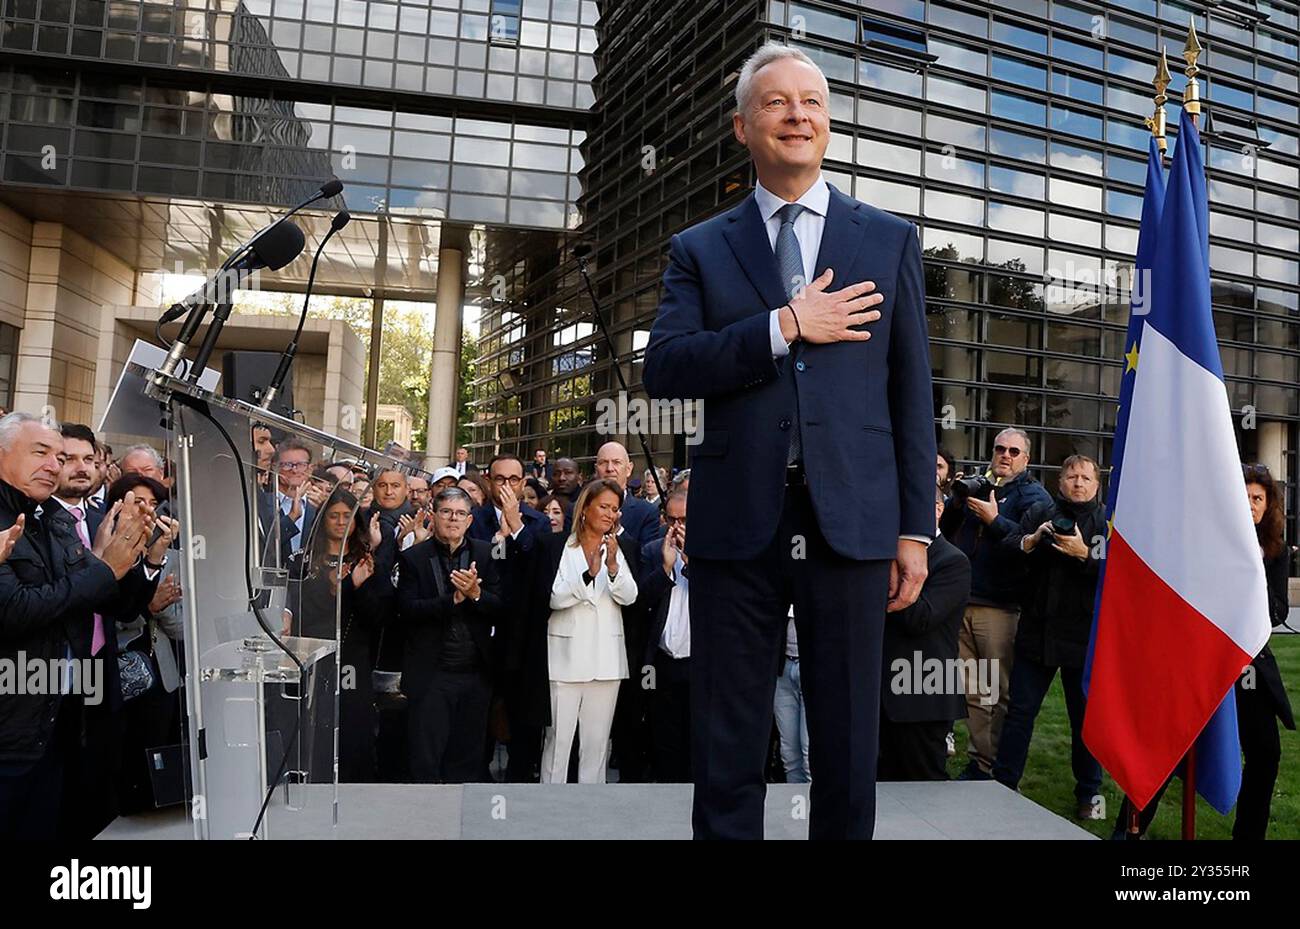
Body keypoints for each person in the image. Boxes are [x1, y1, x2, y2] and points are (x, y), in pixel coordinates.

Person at [642, 43, 935, 839]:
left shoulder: (889, 239)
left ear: (829, 124)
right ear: (743, 126)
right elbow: (664, 367)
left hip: (854, 524)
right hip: (738, 523)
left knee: (844, 738)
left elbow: (913, 394)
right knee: (729, 736)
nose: (797, 114)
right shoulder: (699, 248)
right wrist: (782, 326)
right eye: (777, 102)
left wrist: (916, 529)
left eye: (811, 102)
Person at [0, 413, 158, 840]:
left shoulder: (47, 518)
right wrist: (102, 570)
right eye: (44, 453)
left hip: (65, 699)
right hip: (18, 706)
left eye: (62, 455)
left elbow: (110, 601)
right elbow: (15, 610)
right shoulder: (17, 517)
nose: (56, 465)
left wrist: (145, 561)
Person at [993, 455, 1106, 818]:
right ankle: (1004, 784)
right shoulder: (1040, 512)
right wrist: (1031, 540)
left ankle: (1089, 794)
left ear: (1096, 484)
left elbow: (1121, 578)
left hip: (1083, 638)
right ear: (1059, 482)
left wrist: (1085, 555)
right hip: (1037, 632)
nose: (1077, 482)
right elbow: (1008, 550)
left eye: (1085, 477)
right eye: (1071, 475)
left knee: (1084, 720)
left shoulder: (1108, 524)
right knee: (1020, 713)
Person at [939, 427, 1051, 780]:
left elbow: (1027, 546)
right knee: (972, 691)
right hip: (965, 601)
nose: (1005, 455)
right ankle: (979, 761)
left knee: (997, 692)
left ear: (1026, 458)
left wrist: (994, 519)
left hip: (1001, 607)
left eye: (1014, 451)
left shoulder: (1034, 496)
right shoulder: (980, 486)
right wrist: (957, 500)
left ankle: (995, 767)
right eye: (1000, 449)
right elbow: (949, 528)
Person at [398, 488, 503, 782]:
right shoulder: (413, 558)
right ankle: (426, 821)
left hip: (475, 673)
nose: (452, 519)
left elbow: (501, 607)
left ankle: (462, 819)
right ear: (434, 515)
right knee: (425, 757)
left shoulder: (485, 553)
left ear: (469, 520)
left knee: (468, 756)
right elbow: (406, 610)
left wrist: (476, 593)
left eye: (459, 514)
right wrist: (452, 601)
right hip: (432, 674)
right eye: (446, 512)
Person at [539, 479, 639, 783]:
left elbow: (630, 596)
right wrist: (588, 574)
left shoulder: (620, 549)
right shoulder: (557, 546)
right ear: (586, 509)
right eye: (604, 507)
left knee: (597, 749)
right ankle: (549, 810)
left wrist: (610, 568)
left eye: (615, 509)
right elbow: (554, 598)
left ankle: (592, 812)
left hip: (606, 662)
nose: (610, 514)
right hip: (564, 661)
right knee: (558, 744)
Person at [287, 488, 383, 782]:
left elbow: (377, 616)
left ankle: (355, 785)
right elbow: (301, 613)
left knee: (352, 721)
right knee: (314, 721)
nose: (341, 522)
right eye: (334, 516)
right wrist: (334, 590)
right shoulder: (303, 560)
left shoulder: (364, 559)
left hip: (352, 653)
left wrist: (355, 587)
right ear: (322, 519)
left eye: (348, 516)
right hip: (313, 654)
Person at [879, 485, 971, 781]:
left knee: (923, 791)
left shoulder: (953, 561)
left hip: (922, 693)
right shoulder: (885, 556)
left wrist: (892, 577)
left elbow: (920, 619)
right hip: (881, 694)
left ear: (938, 510)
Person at [637, 488, 692, 782]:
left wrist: (692, 561)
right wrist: (667, 568)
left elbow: (720, 603)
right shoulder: (652, 550)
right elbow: (640, 600)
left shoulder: (711, 552)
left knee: (696, 736)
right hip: (662, 661)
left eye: (684, 519)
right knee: (664, 737)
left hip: (700, 663)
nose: (677, 527)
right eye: (671, 519)